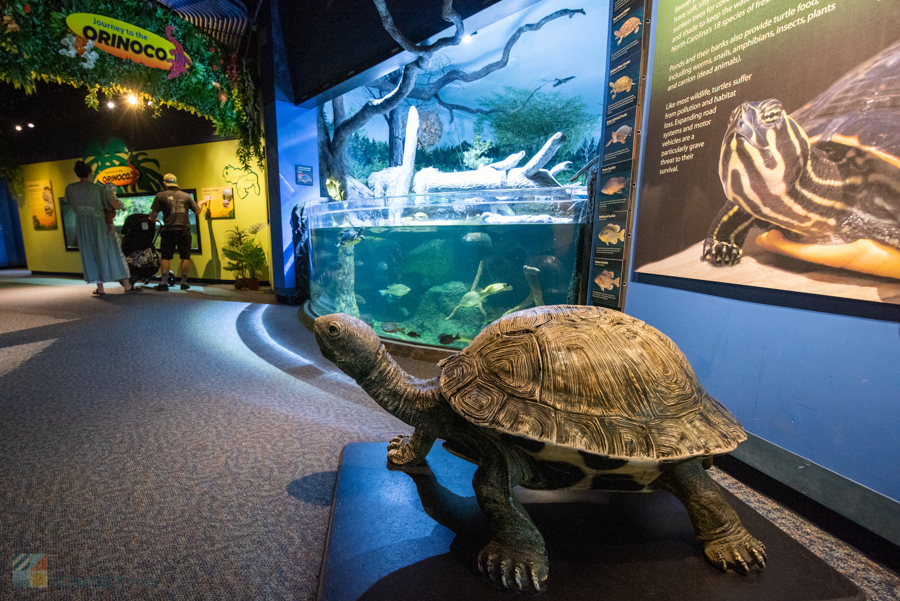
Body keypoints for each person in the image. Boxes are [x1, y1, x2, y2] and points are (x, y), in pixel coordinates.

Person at [64, 161, 138, 296]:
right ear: (90, 173)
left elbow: (72, 206)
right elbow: (113, 203)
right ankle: (127, 285)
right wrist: (120, 206)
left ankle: (100, 288)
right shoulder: (98, 189)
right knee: (111, 251)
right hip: (99, 223)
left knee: (90, 253)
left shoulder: (70, 188)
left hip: (83, 224)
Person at [148, 173, 201, 291]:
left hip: (168, 231)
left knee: (165, 257)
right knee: (185, 257)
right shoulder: (186, 196)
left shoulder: (160, 196)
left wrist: (151, 219)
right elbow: (197, 212)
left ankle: (164, 283)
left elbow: (153, 215)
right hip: (184, 230)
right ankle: (183, 283)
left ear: (165, 183)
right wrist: (201, 204)